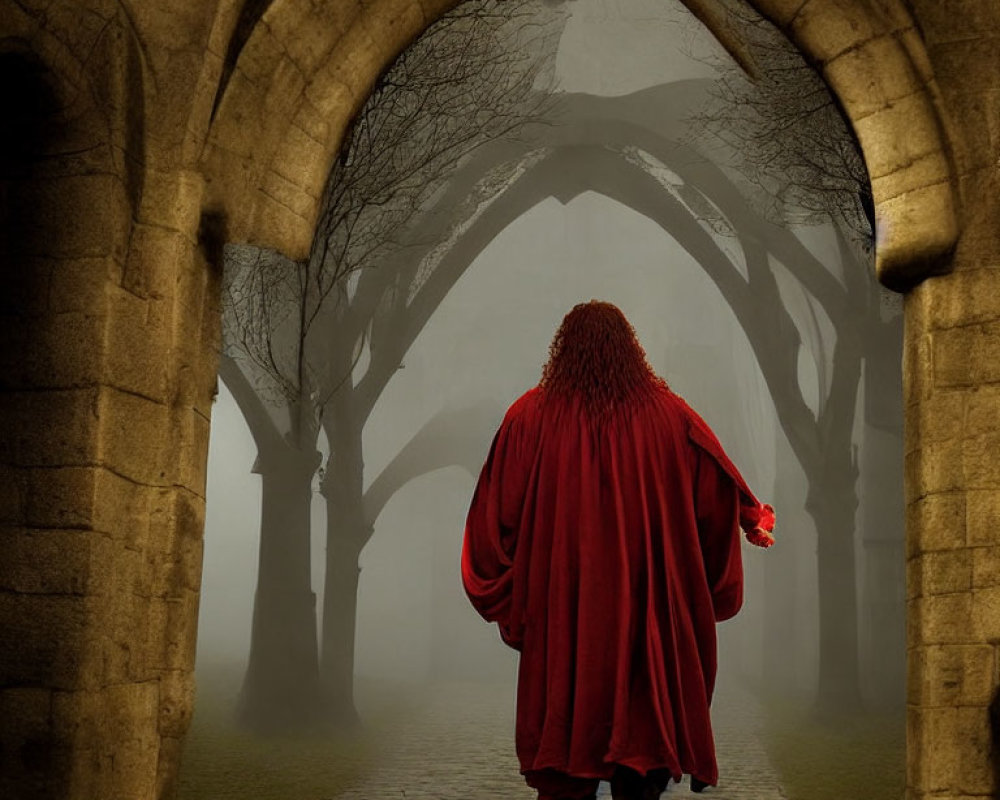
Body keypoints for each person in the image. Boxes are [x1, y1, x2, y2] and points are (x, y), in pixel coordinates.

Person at [461, 300, 775, 800]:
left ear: (562, 350)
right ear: (632, 350)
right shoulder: (671, 417)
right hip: (646, 621)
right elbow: (713, 496)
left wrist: (514, 591)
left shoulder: (528, 418)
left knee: (567, 766)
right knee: (643, 753)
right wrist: (708, 581)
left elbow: (495, 519)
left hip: (566, 619)